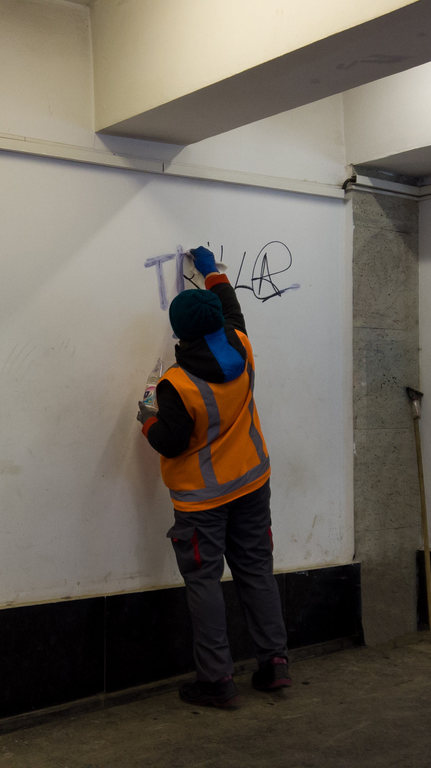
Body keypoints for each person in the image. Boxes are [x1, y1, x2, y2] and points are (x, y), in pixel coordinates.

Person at [137, 245, 289, 709]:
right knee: (256, 570)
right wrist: (210, 270)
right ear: (218, 325)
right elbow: (232, 307)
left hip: (202, 501)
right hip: (251, 482)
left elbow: (169, 440)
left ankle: (217, 681)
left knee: (204, 582)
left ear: (179, 333)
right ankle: (274, 665)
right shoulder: (241, 346)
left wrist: (145, 416)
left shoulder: (176, 385)